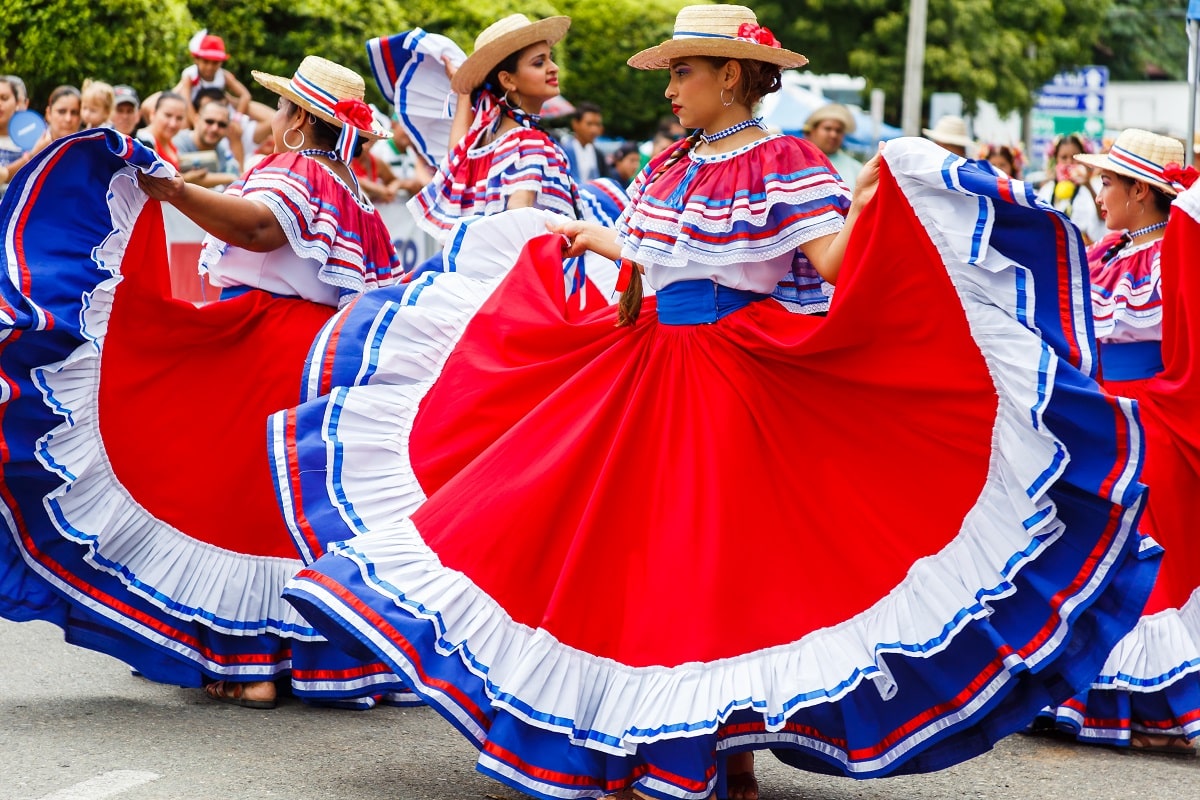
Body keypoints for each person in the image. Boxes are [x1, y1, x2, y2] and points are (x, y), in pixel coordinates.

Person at [268, 5, 1155, 800]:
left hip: (737, 379)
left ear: (731, 74)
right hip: (649, 366)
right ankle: (648, 739)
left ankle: (721, 749)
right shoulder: (667, 165)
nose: (672, 88)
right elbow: (666, 263)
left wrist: (890, 196)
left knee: (717, 570)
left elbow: (841, 267)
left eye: (683, 71)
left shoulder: (785, 159)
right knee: (635, 560)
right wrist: (606, 245)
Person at [0, 55, 406, 711]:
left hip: (266, 346)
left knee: (223, 498)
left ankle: (249, 665)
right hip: (319, 361)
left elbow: (256, 225)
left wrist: (176, 191)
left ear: (299, 118)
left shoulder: (298, 170)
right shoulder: (356, 196)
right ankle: (280, 660)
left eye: (283, 110)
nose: (276, 120)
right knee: (282, 514)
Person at [1031, 129, 1200, 756]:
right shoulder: (1105, 254)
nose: (1099, 193)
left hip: (1148, 416)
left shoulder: (1176, 254)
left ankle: (1151, 704)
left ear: (1140, 190)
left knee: (1139, 553)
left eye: (1108, 182)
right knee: (1086, 550)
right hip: (1100, 416)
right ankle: (1092, 697)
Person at [408, 13, 584, 242]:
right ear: (508, 80)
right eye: (539, 62)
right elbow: (518, 214)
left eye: (550, 58)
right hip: (519, 269)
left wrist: (465, 93)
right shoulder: (527, 140)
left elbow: (453, 157)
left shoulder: (480, 141)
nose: (554, 68)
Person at [1036, 133, 1107, 245]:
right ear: (1056, 160)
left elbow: (1104, 217)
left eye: (1075, 157)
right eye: (1064, 157)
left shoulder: (1097, 185)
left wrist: (1088, 185)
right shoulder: (1047, 190)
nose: (1069, 162)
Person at [173, 98, 241, 189]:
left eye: (222, 124)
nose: (214, 128)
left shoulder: (222, 150)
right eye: (209, 121)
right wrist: (229, 178)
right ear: (196, 120)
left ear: (228, 129)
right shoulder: (177, 143)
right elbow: (174, 180)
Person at [802, 102, 862, 188]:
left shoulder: (856, 169)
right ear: (812, 131)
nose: (833, 135)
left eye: (838, 130)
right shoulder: (794, 161)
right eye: (828, 128)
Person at [136, 91, 191, 170]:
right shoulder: (144, 141)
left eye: (179, 118)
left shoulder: (169, 141)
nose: (173, 124)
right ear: (153, 114)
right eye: (168, 115)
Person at [560, 101, 605, 182]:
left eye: (597, 124)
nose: (594, 130)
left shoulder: (598, 154)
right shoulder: (564, 151)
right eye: (589, 124)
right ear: (575, 124)